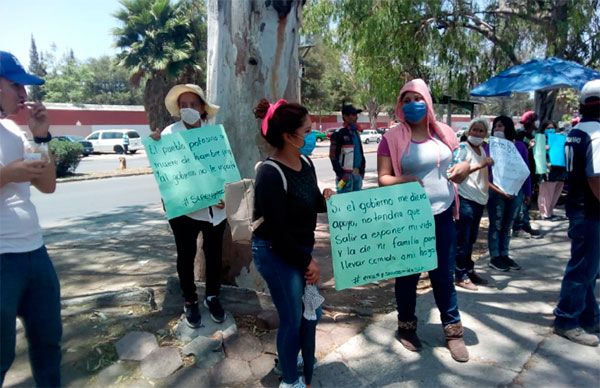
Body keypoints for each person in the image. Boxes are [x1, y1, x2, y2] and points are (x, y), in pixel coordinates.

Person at [377, 78, 471, 362]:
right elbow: (383, 179)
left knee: (443, 276)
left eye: (416, 99)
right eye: (405, 100)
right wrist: (404, 179)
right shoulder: (391, 138)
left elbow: (462, 162)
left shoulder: (445, 133)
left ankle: (453, 333)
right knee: (407, 277)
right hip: (408, 219)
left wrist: (464, 168)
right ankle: (406, 328)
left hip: (443, 215)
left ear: (427, 102)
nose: (411, 105)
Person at [253, 98, 334, 388]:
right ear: (288, 136)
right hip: (275, 253)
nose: (313, 134)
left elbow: (309, 203)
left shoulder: (307, 162)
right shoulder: (269, 174)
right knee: (292, 318)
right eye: (308, 130)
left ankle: (291, 358)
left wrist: (325, 199)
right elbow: (277, 232)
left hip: (299, 251)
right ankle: (289, 379)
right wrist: (307, 263)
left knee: (309, 312)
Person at [0, 51, 62, 386]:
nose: (24, 94)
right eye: (15, 85)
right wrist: (8, 174)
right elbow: (12, 175)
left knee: (48, 341)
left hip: (35, 253)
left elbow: (47, 184)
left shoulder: (12, 129)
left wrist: (40, 135)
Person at [150, 84, 226, 327]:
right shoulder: (169, 135)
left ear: (202, 108)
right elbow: (164, 171)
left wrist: (225, 193)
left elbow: (224, 169)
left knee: (214, 255)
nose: (188, 109)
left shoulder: (214, 134)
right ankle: (190, 299)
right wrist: (156, 146)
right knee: (186, 255)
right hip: (184, 209)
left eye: (193, 104)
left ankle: (212, 296)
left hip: (216, 208)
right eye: (184, 105)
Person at [553, 79, 600, 347]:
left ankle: (590, 315)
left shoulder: (577, 131)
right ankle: (567, 319)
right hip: (590, 211)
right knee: (582, 268)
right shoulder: (596, 134)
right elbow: (596, 178)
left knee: (588, 267)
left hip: (579, 209)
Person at [485, 116, 531, 272]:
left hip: (516, 192)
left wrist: (527, 192)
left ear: (509, 127)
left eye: (501, 126)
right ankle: (495, 256)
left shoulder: (520, 146)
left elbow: (525, 171)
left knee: (508, 225)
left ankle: (504, 254)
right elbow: (486, 171)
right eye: (495, 126)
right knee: (496, 224)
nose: (497, 129)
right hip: (497, 191)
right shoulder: (489, 147)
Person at [454, 118, 494, 291]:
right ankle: (460, 274)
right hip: (466, 198)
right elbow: (455, 171)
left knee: (471, 239)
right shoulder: (464, 148)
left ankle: (469, 270)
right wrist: (480, 165)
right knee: (462, 239)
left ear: (486, 134)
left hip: (479, 199)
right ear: (468, 131)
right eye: (474, 130)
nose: (477, 133)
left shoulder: (482, 149)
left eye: (481, 131)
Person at [512, 111, 543, 238]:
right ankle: (518, 227)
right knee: (521, 203)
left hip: (530, 173)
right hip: (522, 174)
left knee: (526, 203)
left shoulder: (532, 135)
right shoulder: (521, 136)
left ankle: (526, 225)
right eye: (536, 120)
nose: (538, 122)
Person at [329, 104, 365, 193]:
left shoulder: (355, 132)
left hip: (357, 175)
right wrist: (341, 174)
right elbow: (332, 156)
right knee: (343, 200)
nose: (355, 117)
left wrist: (361, 172)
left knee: (357, 201)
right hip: (344, 177)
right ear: (345, 116)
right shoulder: (338, 134)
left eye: (355, 115)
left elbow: (360, 153)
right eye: (352, 115)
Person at [537, 120, 567, 220]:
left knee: (556, 192)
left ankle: (550, 212)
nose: (550, 130)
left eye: (552, 128)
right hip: (548, 170)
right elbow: (537, 154)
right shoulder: (540, 140)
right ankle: (545, 214)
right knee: (546, 192)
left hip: (560, 169)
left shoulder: (560, 138)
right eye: (548, 128)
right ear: (543, 129)